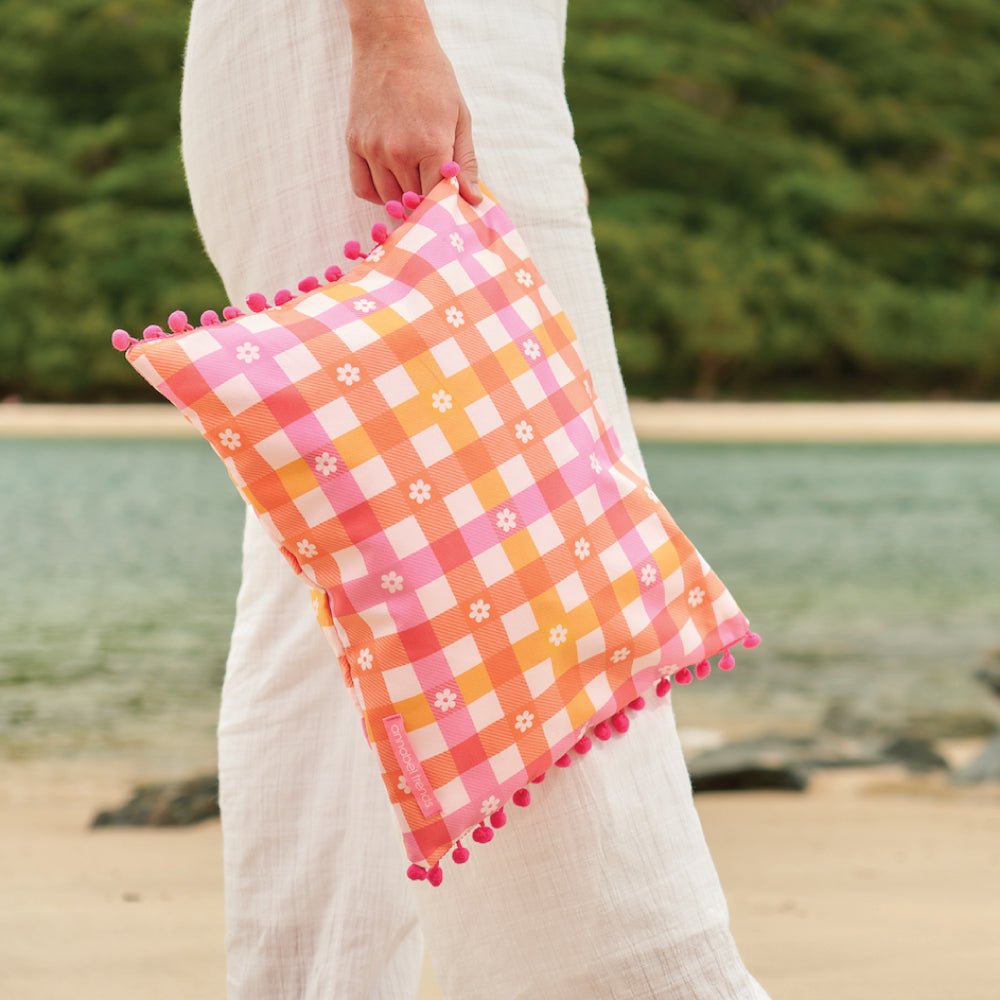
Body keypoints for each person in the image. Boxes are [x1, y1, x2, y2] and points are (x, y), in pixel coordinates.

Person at [179, 0, 773, 997]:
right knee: (514, 540)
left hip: (458, 44)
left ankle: (311, 980)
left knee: (365, 577)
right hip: (377, 40)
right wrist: (393, 39)